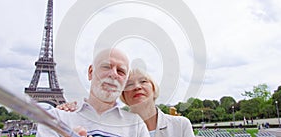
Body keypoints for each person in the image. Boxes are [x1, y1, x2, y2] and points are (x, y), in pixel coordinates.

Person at [36, 48, 149, 137]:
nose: (113, 74)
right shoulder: (55, 117)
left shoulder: (136, 125)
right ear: (90, 72)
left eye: (120, 71)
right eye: (106, 67)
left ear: (125, 81)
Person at [59, 68, 195, 137]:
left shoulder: (181, 125)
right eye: (129, 85)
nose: (137, 87)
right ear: (123, 95)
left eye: (143, 81)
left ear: (153, 89)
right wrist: (68, 112)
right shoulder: (112, 127)